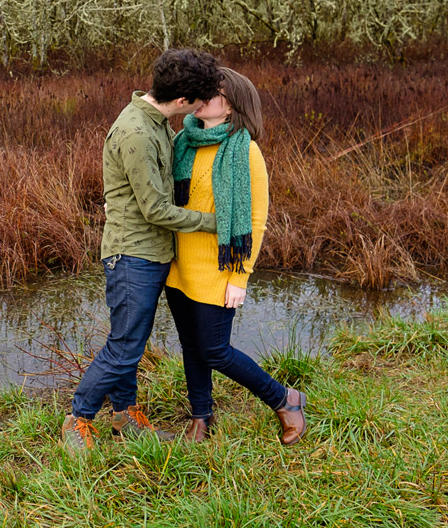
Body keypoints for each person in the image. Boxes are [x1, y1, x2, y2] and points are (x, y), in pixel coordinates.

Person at [61, 49, 223, 454]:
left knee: (131, 341)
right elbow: (155, 209)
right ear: (183, 100)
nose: (204, 106)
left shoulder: (157, 124)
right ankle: (78, 418)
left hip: (151, 254)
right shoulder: (136, 132)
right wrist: (213, 223)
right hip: (132, 255)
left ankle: (125, 414)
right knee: (124, 346)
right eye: (200, 100)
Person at [164, 67, 307, 445]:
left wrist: (239, 278)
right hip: (179, 266)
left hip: (217, 269)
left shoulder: (246, 151)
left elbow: (256, 222)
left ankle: (285, 400)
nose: (202, 96)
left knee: (216, 350)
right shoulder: (183, 142)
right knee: (191, 346)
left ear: (230, 108)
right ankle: (201, 416)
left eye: (212, 92)